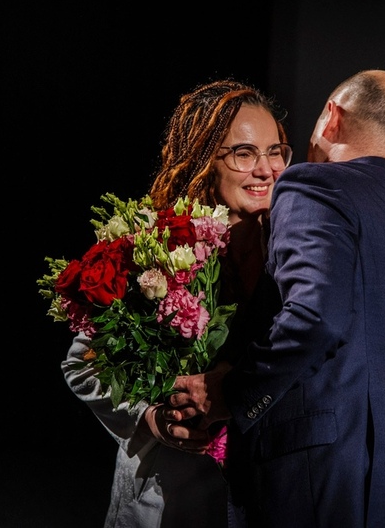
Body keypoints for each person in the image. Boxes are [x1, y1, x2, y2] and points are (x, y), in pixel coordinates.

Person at [168, 69, 385, 527]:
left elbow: (316, 317)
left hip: (325, 489)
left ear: (330, 118)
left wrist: (231, 392)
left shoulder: (312, 185)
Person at [60, 79, 291, 528]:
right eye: (244, 153)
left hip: (264, 499)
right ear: (205, 162)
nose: (266, 169)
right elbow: (80, 364)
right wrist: (149, 417)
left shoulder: (297, 254)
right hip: (169, 498)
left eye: (277, 151)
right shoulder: (157, 254)